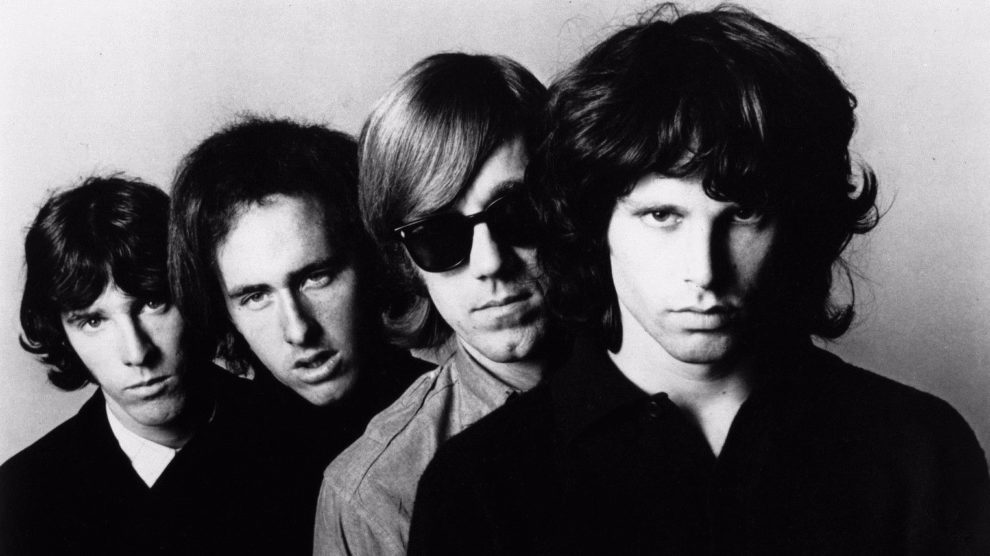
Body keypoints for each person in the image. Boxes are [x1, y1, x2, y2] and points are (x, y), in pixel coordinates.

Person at [408, 5, 990, 555]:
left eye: (744, 213)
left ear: (796, 220)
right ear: (594, 223)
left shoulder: (921, 452)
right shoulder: (478, 489)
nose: (705, 271)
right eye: (662, 215)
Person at [312, 53, 553, 555]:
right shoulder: (374, 495)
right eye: (438, 236)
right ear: (405, 262)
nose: (490, 262)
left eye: (516, 211)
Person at [168, 117, 428, 553]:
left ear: (371, 261)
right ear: (224, 310)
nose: (297, 329)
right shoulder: (197, 495)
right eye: (255, 296)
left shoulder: (461, 421)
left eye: (316, 276)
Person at [0, 176, 284, 554]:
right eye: (93, 321)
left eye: (152, 302)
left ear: (192, 291)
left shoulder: (298, 433)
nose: (136, 352)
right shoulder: (22, 499)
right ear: (62, 334)